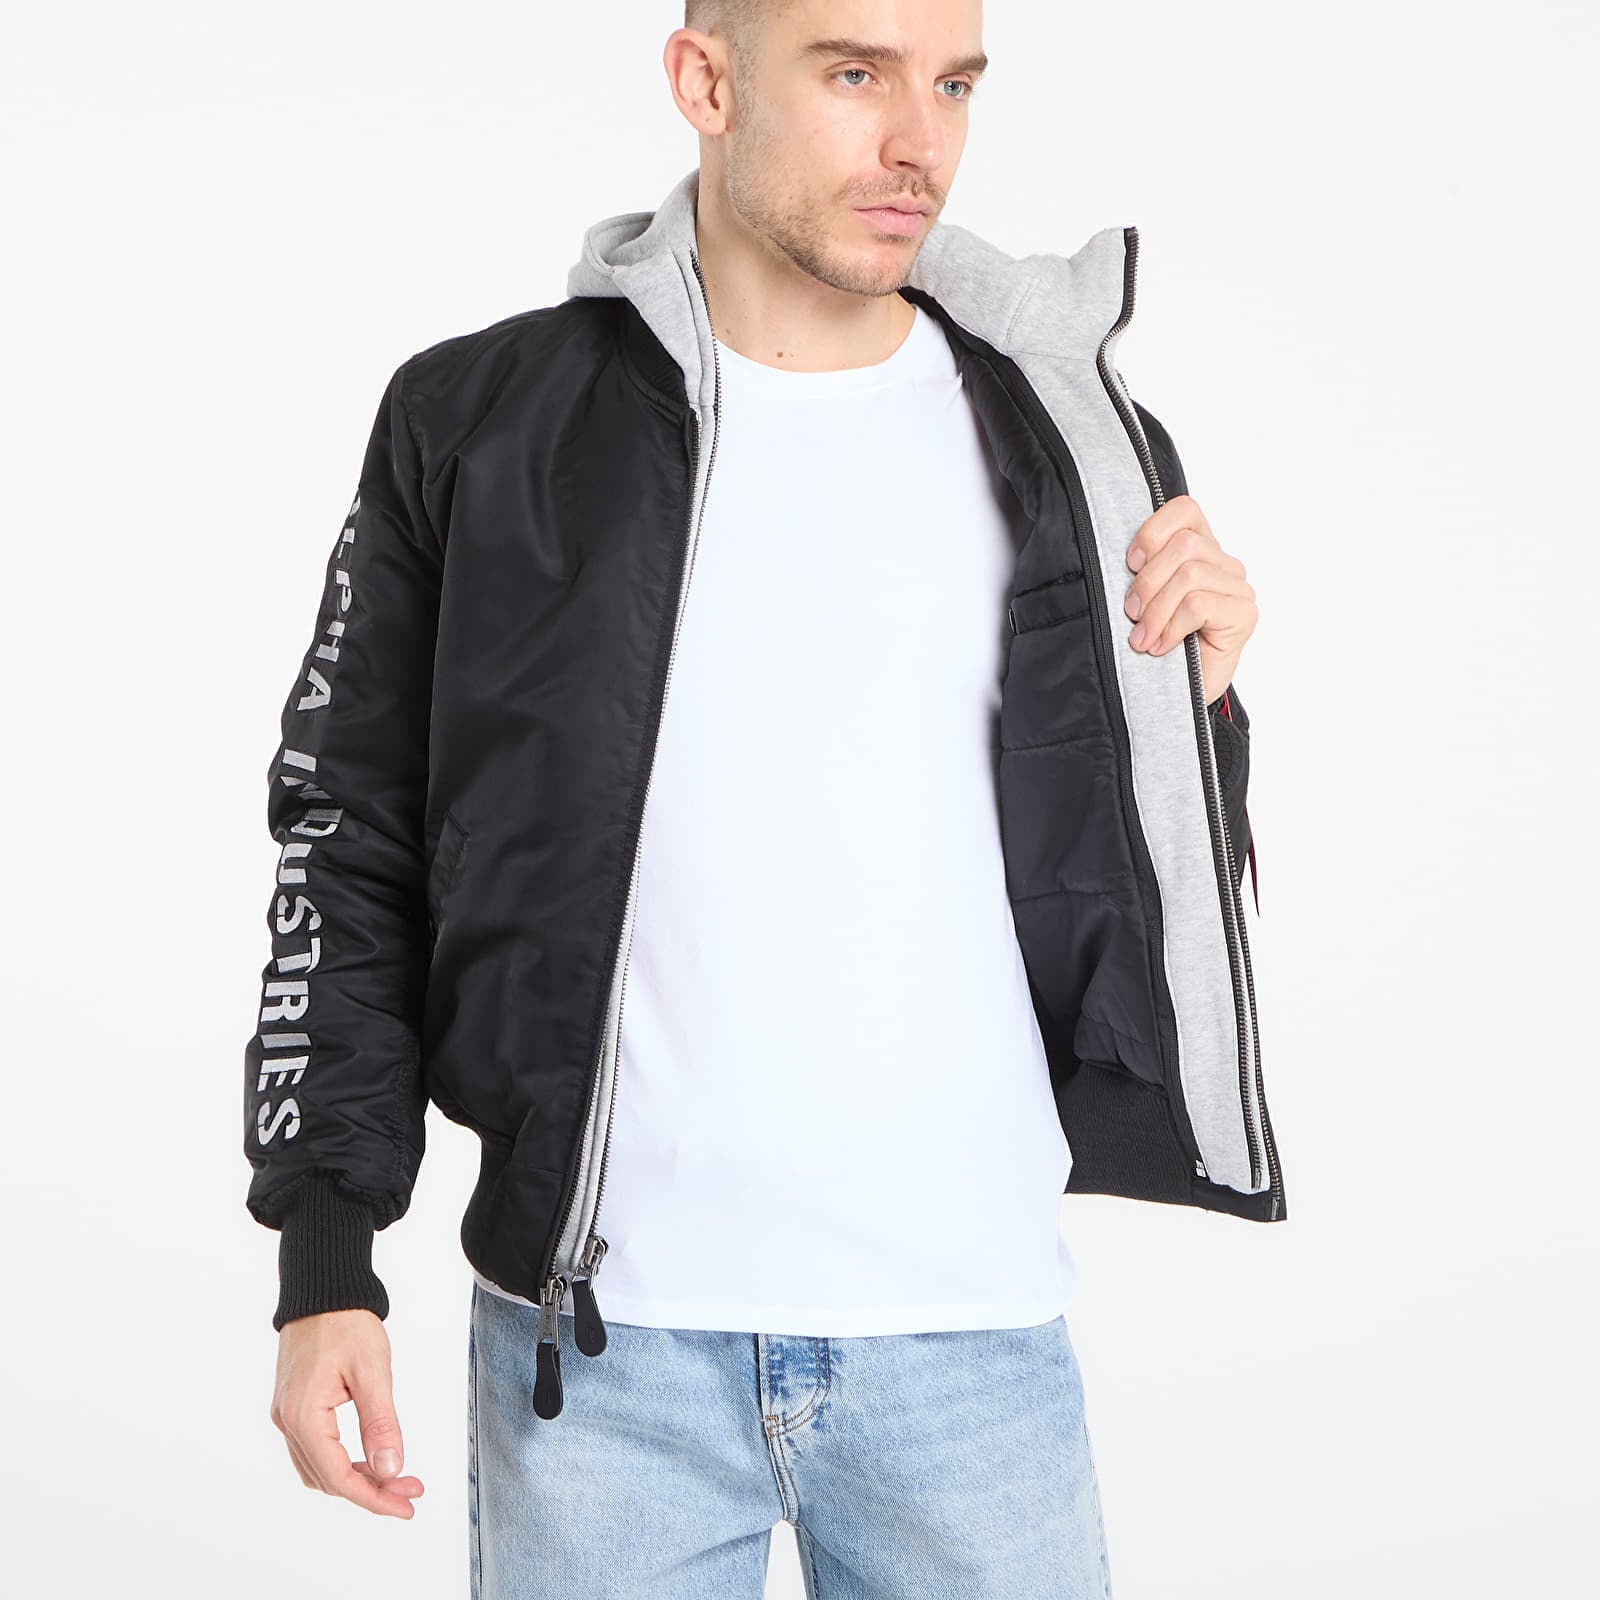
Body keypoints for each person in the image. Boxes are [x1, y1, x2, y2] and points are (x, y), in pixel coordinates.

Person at [244, 2, 1284, 1594]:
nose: (919, 140)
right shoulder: (483, 423)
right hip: (602, 1356)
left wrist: (1203, 707)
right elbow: (352, 836)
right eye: (855, 73)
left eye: (953, 84)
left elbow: (1140, 875)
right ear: (704, 81)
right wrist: (328, 1252)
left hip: (970, 1344)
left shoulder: (1075, 438)